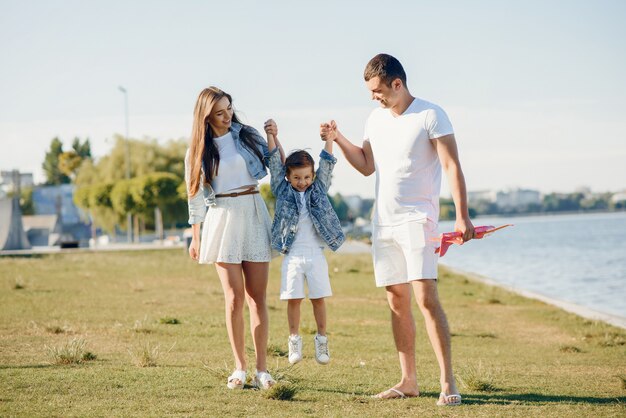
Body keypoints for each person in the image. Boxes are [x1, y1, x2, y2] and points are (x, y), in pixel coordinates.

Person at [320, 54, 474, 406]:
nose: (375, 97)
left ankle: (447, 381)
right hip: (383, 222)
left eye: (378, 91)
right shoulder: (375, 119)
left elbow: (451, 166)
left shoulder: (431, 114)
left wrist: (462, 216)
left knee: (425, 298)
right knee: (396, 300)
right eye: (371, 92)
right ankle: (408, 381)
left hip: (419, 220)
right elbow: (365, 166)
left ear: (397, 84)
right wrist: (339, 137)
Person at [185, 86, 284, 390]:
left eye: (229, 108)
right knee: (233, 299)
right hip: (222, 217)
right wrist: (196, 236)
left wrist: (274, 138)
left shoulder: (247, 135)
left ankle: (262, 370)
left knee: (257, 299)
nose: (227, 115)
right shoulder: (198, 150)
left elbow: (277, 166)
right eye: (219, 112)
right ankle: (239, 368)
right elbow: (196, 196)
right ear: (206, 116)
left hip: (253, 210)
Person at [263, 119, 345, 366]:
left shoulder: (318, 188)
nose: (303, 182)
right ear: (288, 177)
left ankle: (321, 340)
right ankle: (294, 340)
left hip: (316, 254)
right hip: (292, 254)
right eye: (297, 177)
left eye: (307, 176)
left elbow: (327, 165)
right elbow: (274, 162)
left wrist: (330, 139)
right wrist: (272, 136)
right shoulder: (282, 188)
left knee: (319, 298)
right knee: (293, 299)